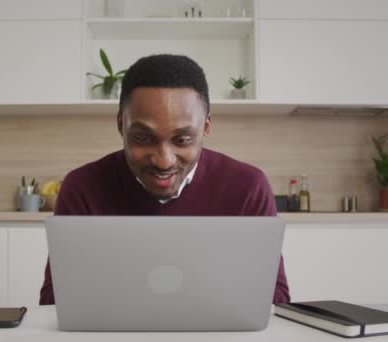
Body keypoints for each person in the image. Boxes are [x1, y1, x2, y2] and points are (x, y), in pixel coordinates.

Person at [39, 54, 290, 305]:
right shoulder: (82, 188)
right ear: (120, 125)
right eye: (143, 138)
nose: (164, 161)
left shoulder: (247, 187)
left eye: (182, 140)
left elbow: (275, 300)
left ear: (205, 127)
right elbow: (55, 301)